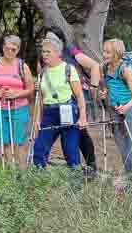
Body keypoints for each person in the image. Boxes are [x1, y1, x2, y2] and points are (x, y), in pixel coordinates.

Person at [42, 26, 101, 174]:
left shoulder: (71, 50)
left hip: (76, 97)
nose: (50, 41)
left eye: (54, 38)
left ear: (61, 40)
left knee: (80, 132)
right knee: (68, 134)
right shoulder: (45, 55)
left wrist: (93, 87)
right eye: (48, 38)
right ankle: (74, 166)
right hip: (57, 102)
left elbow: (94, 65)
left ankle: (91, 165)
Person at [32, 35, 88, 171]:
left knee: (71, 149)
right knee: (39, 149)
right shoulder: (42, 73)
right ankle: (39, 178)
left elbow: (80, 96)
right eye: (43, 51)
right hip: (48, 114)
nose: (44, 54)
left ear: (58, 53)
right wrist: (37, 120)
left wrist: (83, 117)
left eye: (48, 52)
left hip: (67, 110)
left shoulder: (68, 69)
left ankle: (75, 182)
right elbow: (40, 99)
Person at [99, 39, 132, 188]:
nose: (104, 54)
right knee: (123, 147)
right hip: (116, 110)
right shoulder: (105, 68)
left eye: (108, 52)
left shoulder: (126, 69)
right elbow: (110, 86)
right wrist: (105, 93)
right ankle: (130, 180)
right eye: (104, 51)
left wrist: (126, 107)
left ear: (117, 53)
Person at [0, 35, 35, 167]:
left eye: (14, 49)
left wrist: (16, 94)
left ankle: (22, 173)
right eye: (7, 48)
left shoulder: (23, 66)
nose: (10, 52)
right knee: (5, 141)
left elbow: (30, 88)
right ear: (3, 47)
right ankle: (10, 170)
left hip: (19, 108)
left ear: (18, 50)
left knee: (19, 142)